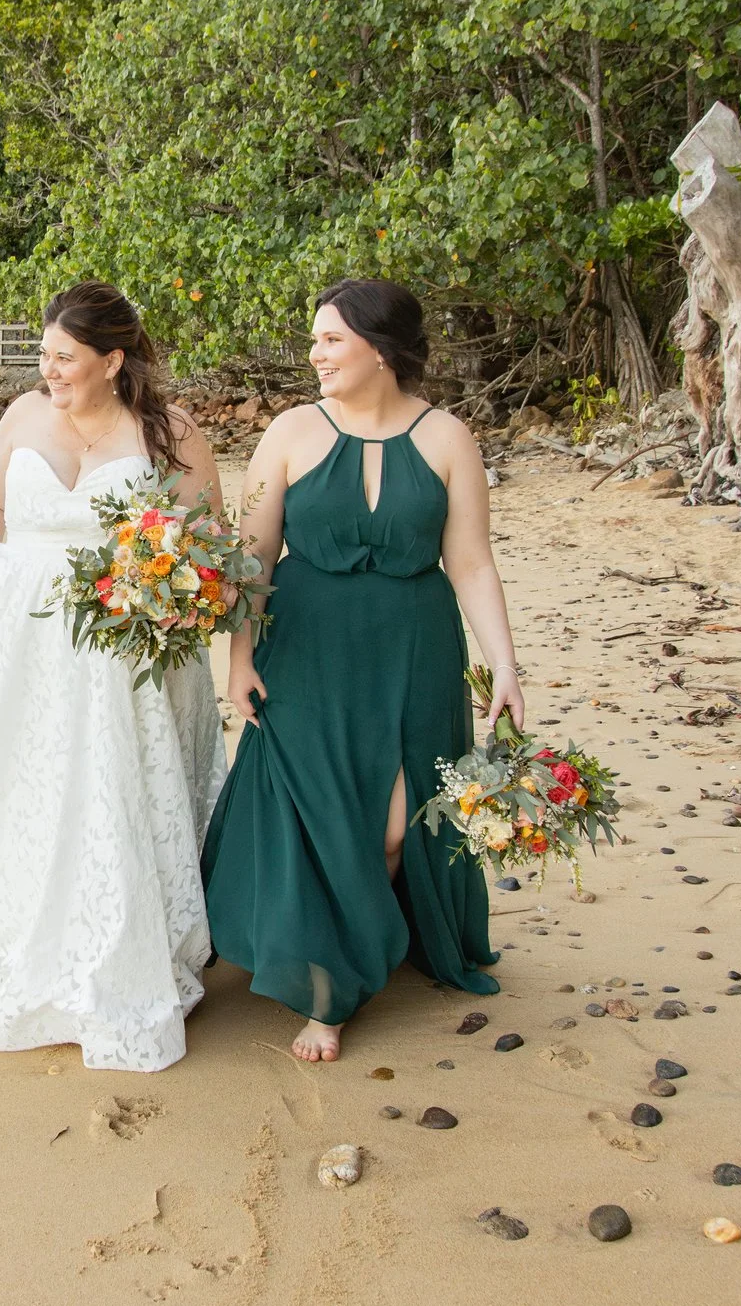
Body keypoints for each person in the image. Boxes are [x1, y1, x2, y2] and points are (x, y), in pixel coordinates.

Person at [201, 279, 523, 1063]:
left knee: (391, 829)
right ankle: (328, 993)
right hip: (306, 649)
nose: (316, 354)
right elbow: (252, 558)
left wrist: (506, 667)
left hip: (414, 652)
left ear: (381, 348)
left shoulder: (449, 437)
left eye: (331, 339)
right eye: (315, 340)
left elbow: (472, 562)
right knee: (322, 818)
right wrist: (239, 658)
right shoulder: (288, 432)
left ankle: (372, 939)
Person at [0, 284, 226, 1071]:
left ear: (112, 361)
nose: (48, 370)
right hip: (22, 651)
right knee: (31, 791)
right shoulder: (22, 416)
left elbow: (208, 550)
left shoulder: (169, 433)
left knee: (105, 797)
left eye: (65, 358)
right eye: (44, 354)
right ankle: (22, 932)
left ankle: (116, 948)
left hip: (124, 662)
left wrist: (163, 607)